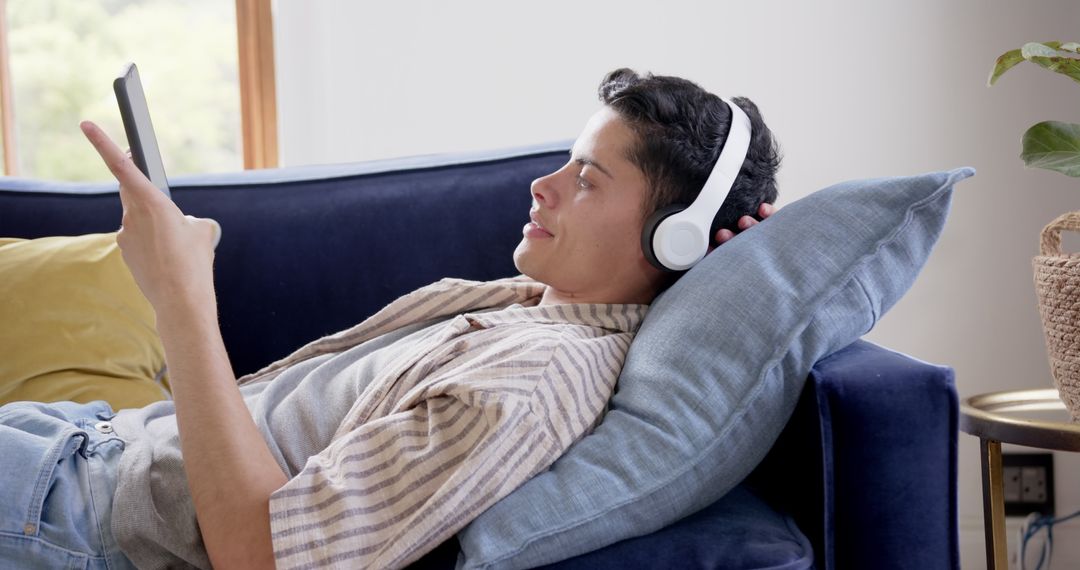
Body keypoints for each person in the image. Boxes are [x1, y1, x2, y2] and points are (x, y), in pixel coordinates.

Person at [0, 68, 780, 569]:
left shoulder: (533, 383)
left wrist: (181, 299)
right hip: (88, 442)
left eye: (586, 180)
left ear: (672, 236)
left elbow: (260, 559)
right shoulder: (531, 311)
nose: (542, 186)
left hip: (76, 517)